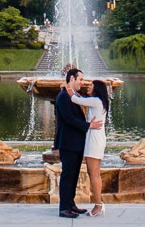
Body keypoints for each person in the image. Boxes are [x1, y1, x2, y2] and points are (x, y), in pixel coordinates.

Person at [51, 65, 91, 218]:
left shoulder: (74, 95)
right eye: (80, 79)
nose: (82, 82)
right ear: (72, 78)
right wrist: (89, 126)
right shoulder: (63, 96)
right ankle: (63, 208)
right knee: (68, 175)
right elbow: (69, 119)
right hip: (68, 143)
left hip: (76, 142)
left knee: (74, 175)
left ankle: (71, 203)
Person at [76, 79, 110, 216]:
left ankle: (98, 205)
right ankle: (98, 203)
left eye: (90, 85)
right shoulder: (97, 101)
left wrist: (67, 87)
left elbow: (75, 99)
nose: (88, 87)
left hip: (95, 140)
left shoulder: (96, 101)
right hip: (94, 138)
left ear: (96, 88)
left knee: (94, 173)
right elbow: (80, 98)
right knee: (92, 173)